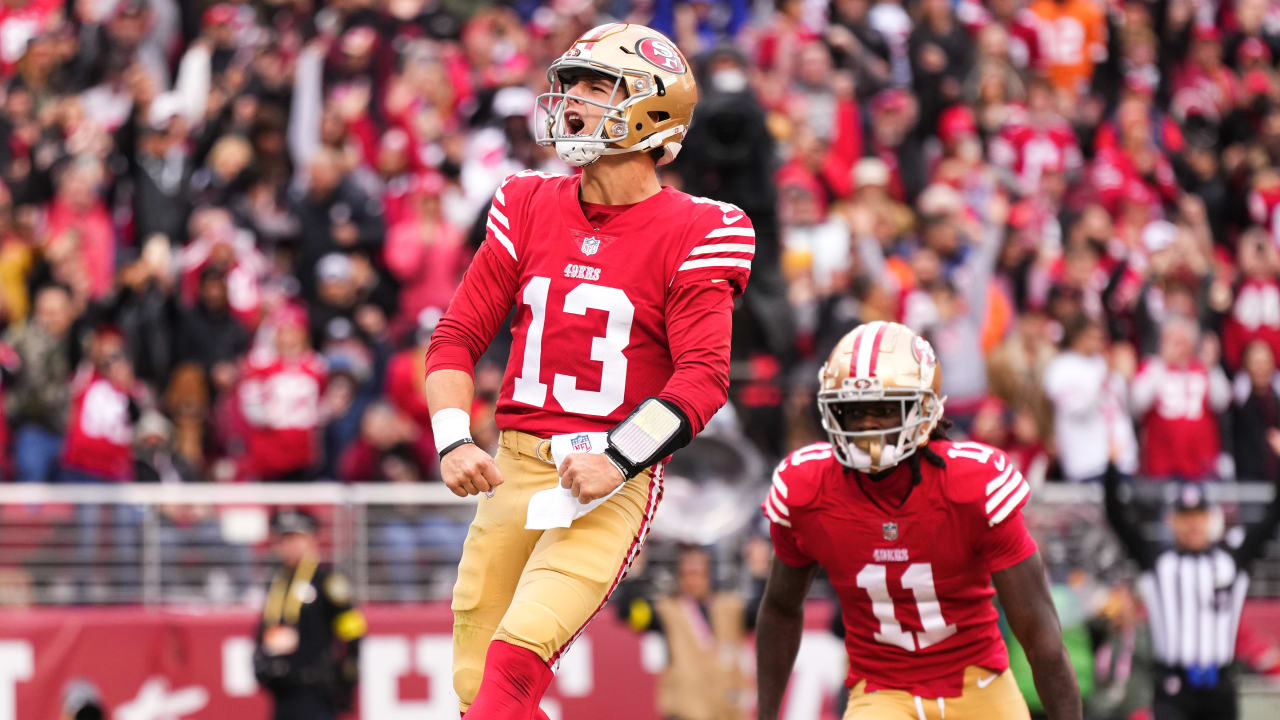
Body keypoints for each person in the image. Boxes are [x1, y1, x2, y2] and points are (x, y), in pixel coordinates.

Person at [424, 23, 752, 719]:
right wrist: (454, 437)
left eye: (595, 86)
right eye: (568, 83)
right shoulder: (526, 203)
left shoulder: (701, 228)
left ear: (653, 108)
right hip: (512, 471)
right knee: (472, 688)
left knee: (515, 661)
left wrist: (619, 457)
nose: (570, 100)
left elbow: (702, 377)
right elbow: (455, 337)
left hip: (606, 483)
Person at [755, 321, 1082, 720]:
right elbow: (780, 609)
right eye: (854, 410)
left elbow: (1041, 637)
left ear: (924, 408)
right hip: (880, 693)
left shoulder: (972, 485)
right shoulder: (807, 489)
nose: (868, 425)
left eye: (883, 408)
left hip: (978, 684)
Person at [1102, 467, 1280, 720]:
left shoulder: (1231, 561)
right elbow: (1118, 518)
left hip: (1219, 684)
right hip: (1174, 686)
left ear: (1210, 519)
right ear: (1172, 520)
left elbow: (1271, 519)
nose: (1193, 524)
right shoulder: (1156, 562)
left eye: (1199, 516)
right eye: (1185, 517)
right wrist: (1112, 466)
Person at [253, 509, 365, 720]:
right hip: (282, 689)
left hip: (315, 690)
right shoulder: (276, 582)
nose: (291, 546)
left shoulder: (326, 581)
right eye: (285, 539)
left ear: (311, 540)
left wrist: (346, 678)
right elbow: (264, 627)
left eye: (297, 538)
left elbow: (352, 630)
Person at [621, 546, 754, 720]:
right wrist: (634, 573)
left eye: (698, 573)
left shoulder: (730, 607)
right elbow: (631, 613)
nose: (693, 580)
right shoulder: (667, 611)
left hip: (728, 711)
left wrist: (758, 572)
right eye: (687, 574)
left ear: (709, 575)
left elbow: (766, 612)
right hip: (685, 711)